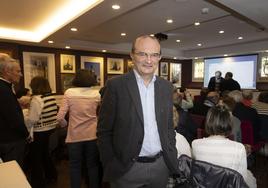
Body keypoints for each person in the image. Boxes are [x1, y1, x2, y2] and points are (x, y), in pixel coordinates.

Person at [97, 35, 179, 188]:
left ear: (160, 57)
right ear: (132, 55)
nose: (149, 60)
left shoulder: (166, 87)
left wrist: (171, 155)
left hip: (161, 167)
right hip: (126, 170)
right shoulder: (116, 86)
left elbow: (169, 128)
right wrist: (110, 162)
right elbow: (104, 131)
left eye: (154, 55)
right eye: (143, 54)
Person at [192, 105, 257, 188]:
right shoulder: (238, 148)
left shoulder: (195, 144)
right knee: (251, 178)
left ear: (208, 122)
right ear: (229, 123)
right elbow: (241, 179)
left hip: (205, 184)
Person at [57, 69, 102, 188]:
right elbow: (102, 113)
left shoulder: (69, 92)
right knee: (92, 165)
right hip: (92, 134)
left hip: (75, 135)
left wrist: (65, 125)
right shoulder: (96, 94)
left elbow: (60, 117)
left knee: (75, 166)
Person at [0, 53, 30, 166]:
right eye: (18, 71)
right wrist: (27, 134)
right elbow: (13, 119)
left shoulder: (5, 87)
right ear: (7, 72)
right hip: (10, 141)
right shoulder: (3, 89)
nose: (21, 74)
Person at [28, 76, 58, 188]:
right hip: (50, 129)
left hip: (39, 131)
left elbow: (32, 119)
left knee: (36, 158)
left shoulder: (37, 99)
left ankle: (38, 182)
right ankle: (52, 175)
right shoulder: (50, 97)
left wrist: (26, 119)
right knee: (45, 154)